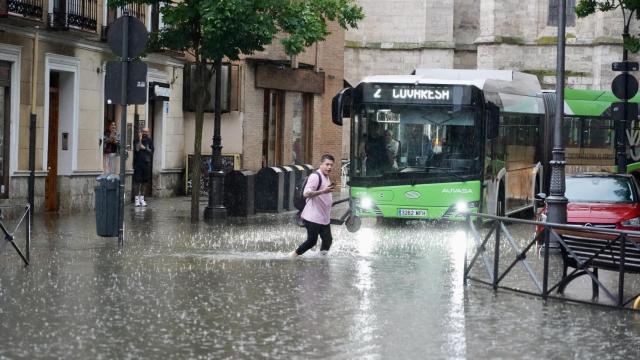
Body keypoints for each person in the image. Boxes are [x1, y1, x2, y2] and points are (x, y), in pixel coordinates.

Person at [290, 154, 336, 257]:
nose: (329, 167)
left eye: (331, 165)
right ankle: (292, 256)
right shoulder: (315, 176)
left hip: (323, 217)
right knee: (311, 241)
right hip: (313, 217)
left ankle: (322, 259)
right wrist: (323, 191)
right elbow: (306, 193)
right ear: (321, 164)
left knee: (328, 240)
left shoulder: (326, 177)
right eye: (327, 164)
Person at [133, 127, 154, 207]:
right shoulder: (136, 140)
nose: (145, 133)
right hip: (138, 164)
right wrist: (140, 139)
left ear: (148, 133)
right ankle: (136, 199)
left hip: (146, 164)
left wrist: (144, 148)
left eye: (146, 132)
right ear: (141, 132)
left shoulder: (150, 141)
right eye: (143, 132)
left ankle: (142, 198)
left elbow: (151, 152)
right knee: (137, 182)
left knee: (145, 182)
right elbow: (137, 149)